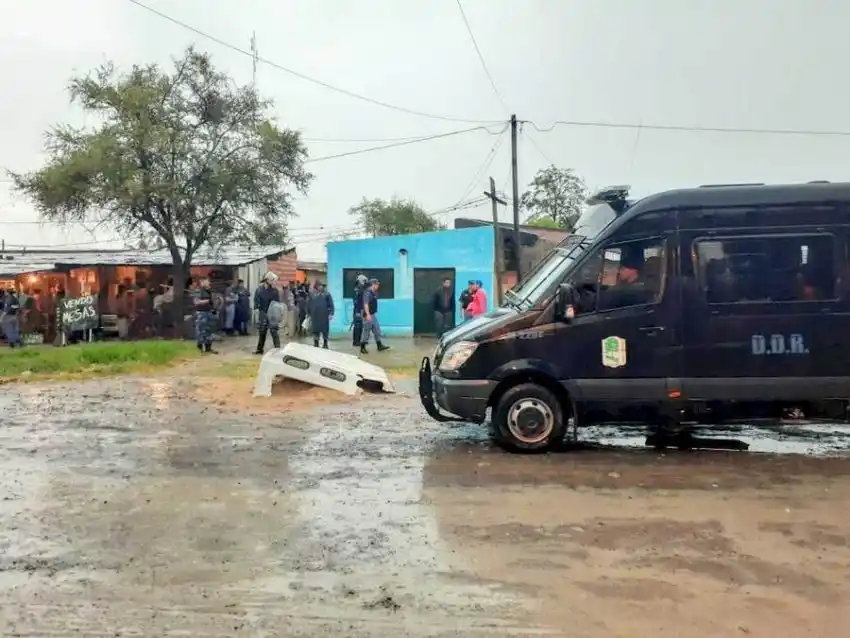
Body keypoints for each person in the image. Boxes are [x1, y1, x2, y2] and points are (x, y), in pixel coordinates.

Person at [254, 272, 281, 354]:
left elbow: (277, 304)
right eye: (272, 280)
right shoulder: (259, 290)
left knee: (274, 332)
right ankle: (259, 349)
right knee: (262, 332)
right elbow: (256, 302)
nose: (273, 282)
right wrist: (257, 311)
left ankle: (278, 350)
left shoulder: (275, 291)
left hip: (272, 314)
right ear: (267, 280)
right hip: (262, 313)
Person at [360, 278, 389, 354]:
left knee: (377, 329)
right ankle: (362, 347)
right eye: (377, 284)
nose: (378, 286)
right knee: (366, 331)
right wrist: (368, 315)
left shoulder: (374, 292)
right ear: (373, 284)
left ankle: (379, 345)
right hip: (367, 315)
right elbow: (365, 304)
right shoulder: (367, 293)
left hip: (372, 314)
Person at [193, 277, 216, 353]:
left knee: (209, 330)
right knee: (201, 330)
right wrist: (206, 301)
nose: (208, 283)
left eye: (207, 281)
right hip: (201, 313)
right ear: (201, 282)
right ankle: (199, 348)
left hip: (209, 312)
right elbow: (196, 302)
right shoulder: (198, 291)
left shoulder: (210, 291)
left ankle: (208, 347)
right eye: (205, 281)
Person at [308, 282, 334, 348]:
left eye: (322, 286)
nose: (321, 287)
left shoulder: (327, 294)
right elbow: (308, 304)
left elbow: (331, 305)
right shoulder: (312, 294)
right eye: (319, 286)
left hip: (324, 315)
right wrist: (308, 314)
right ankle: (316, 343)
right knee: (315, 330)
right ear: (316, 287)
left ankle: (325, 343)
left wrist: (331, 313)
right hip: (315, 316)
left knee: (325, 330)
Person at [351, 273, 368, 347]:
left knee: (357, 326)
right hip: (358, 310)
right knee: (358, 326)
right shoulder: (360, 288)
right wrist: (358, 311)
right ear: (361, 281)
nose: (365, 282)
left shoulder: (357, 288)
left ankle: (356, 341)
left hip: (357, 310)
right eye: (364, 281)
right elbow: (358, 301)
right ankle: (357, 342)